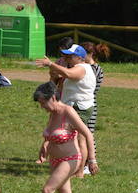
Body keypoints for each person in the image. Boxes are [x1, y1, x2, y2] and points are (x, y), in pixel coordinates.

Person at [24, 82, 98, 193]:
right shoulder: (52, 113)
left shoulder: (67, 112)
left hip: (70, 159)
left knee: (47, 190)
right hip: (55, 159)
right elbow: (50, 133)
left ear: (52, 97)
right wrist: (44, 146)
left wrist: (92, 160)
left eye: (43, 102)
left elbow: (87, 134)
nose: (42, 107)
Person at [35, 44, 95, 176]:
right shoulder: (76, 67)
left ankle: (79, 172)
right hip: (71, 106)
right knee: (71, 137)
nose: (66, 58)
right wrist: (54, 74)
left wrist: (50, 64)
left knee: (79, 138)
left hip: (79, 107)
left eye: (70, 55)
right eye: (66, 55)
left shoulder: (82, 68)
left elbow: (68, 74)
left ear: (79, 57)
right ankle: (67, 165)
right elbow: (59, 84)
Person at [80, 41, 110, 161]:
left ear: (91, 54)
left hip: (88, 104)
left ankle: (90, 161)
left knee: (88, 134)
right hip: (89, 103)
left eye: (83, 54)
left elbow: (91, 89)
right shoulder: (93, 68)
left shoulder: (93, 69)